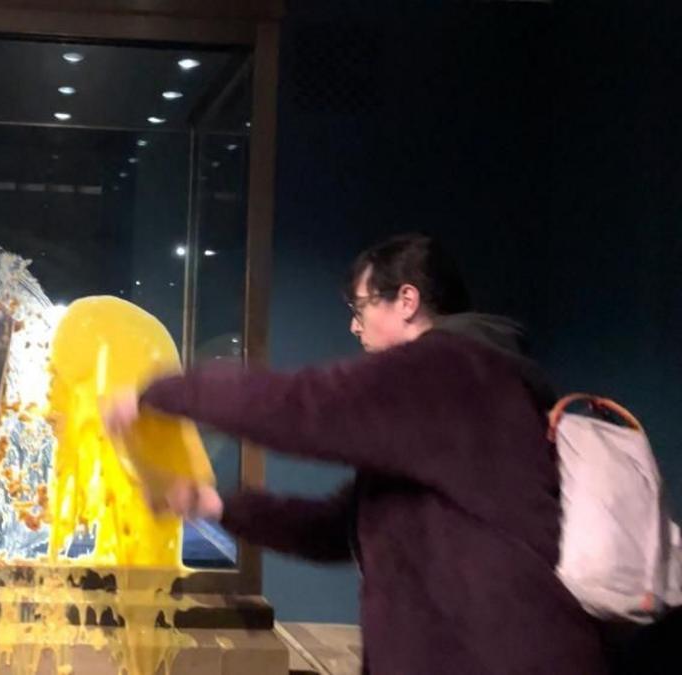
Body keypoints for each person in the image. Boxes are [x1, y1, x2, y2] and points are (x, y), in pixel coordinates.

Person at [105, 233, 607, 674]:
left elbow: (300, 405)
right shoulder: (456, 398)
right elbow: (336, 529)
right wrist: (208, 504)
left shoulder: (451, 370)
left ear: (406, 300)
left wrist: (158, 394)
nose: (354, 326)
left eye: (361, 307)